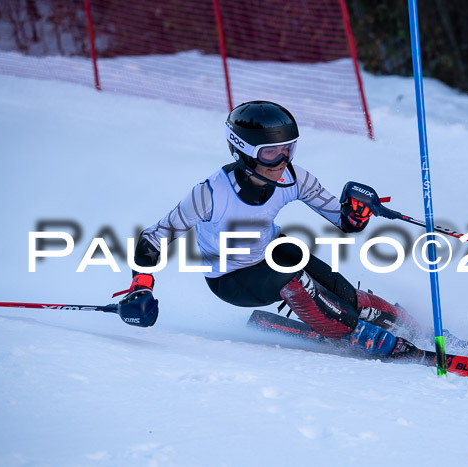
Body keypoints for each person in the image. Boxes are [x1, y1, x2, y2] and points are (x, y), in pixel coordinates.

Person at [115, 101, 421, 357]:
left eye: (289, 149)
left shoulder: (293, 177)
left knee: (334, 285)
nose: (283, 159)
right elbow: (153, 239)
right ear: (244, 151)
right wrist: (141, 286)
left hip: (272, 254)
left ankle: (402, 323)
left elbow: (342, 219)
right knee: (294, 274)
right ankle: (363, 335)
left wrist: (356, 213)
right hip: (231, 278)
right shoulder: (211, 194)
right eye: (272, 152)